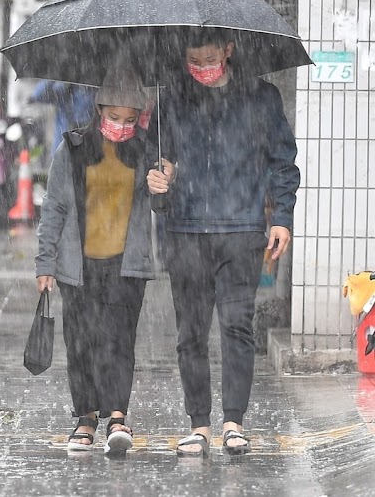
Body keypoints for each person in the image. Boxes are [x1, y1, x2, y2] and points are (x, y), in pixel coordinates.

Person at [146, 28, 300, 457]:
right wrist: (159, 176)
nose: (201, 71)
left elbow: (283, 162)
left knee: (237, 327)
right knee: (190, 334)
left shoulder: (261, 97)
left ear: (229, 51)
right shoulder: (172, 96)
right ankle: (199, 425)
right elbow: (156, 157)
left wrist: (282, 218)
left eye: (208, 61)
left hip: (241, 232)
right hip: (186, 232)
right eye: (193, 63)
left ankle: (235, 422)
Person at [35, 60, 157, 454]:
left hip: (126, 264)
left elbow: (165, 206)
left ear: (140, 118)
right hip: (78, 266)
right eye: (114, 116)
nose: (121, 124)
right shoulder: (72, 148)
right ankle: (86, 418)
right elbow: (53, 207)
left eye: (130, 118)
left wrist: (165, 184)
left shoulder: (146, 152)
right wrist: (45, 262)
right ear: (99, 111)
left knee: (120, 342)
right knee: (82, 342)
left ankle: (118, 417)